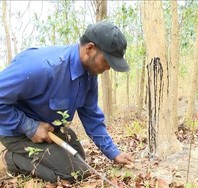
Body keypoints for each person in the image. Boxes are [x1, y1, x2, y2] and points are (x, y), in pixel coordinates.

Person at [0, 21, 134, 182]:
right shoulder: (42, 67)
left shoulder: (89, 76)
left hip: (51, 129)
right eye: (107, 61)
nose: (108, 68)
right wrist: (30, 126)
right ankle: (9, 159)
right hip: (16, 131)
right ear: (90, 49)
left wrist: (114, 153)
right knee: (71, 173)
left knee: (80, 161)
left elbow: (91, 116)